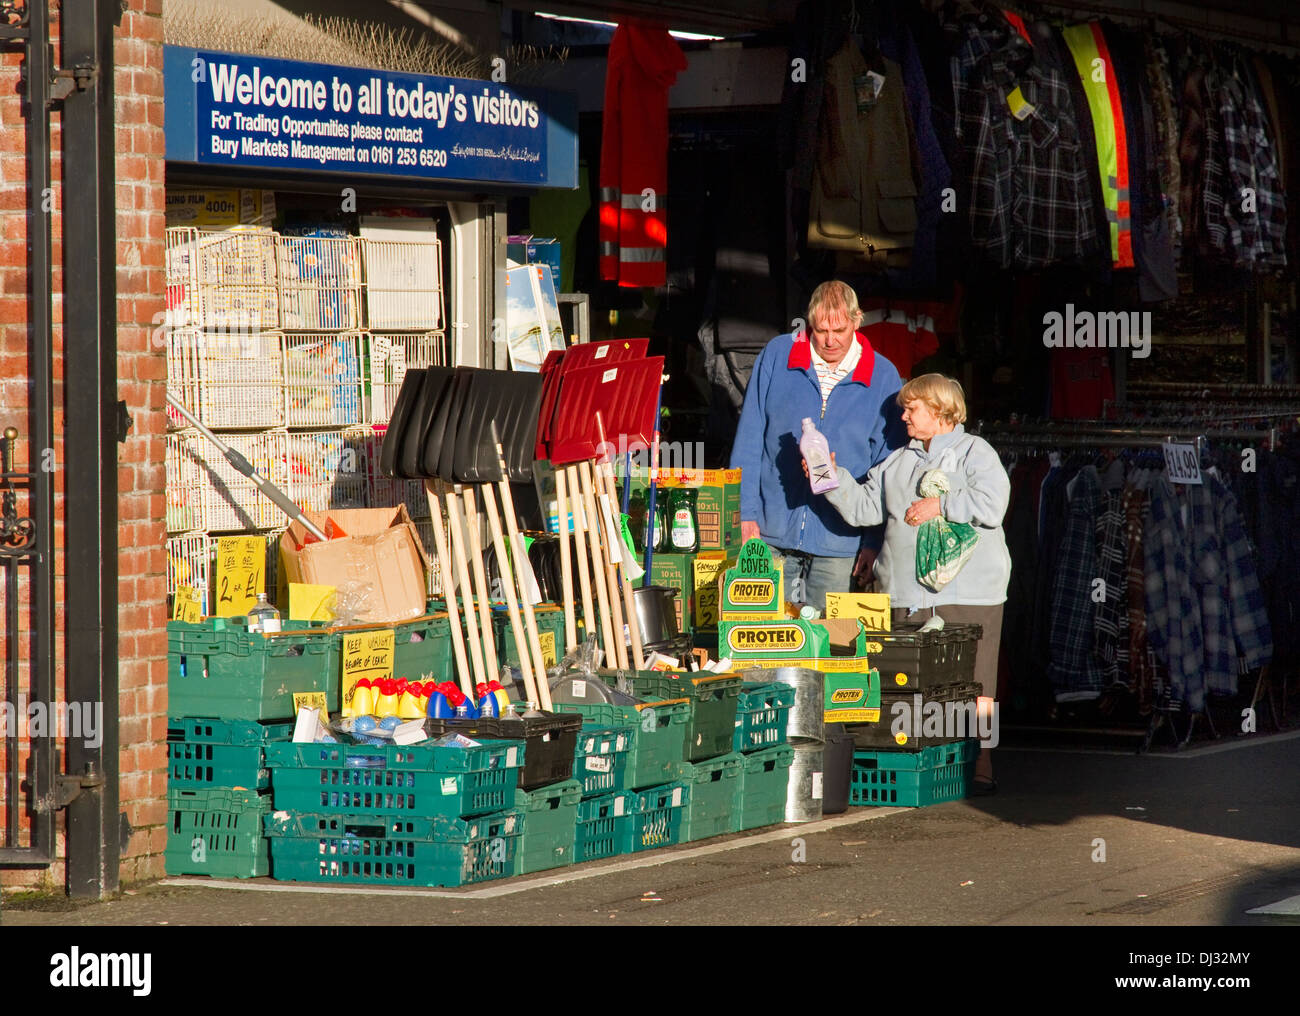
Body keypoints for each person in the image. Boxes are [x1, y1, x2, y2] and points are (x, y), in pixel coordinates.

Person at [815, 374, 1010, 793]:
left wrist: (942, 504)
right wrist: (830, 477)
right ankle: (921, 766)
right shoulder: (896, 462)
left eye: (911, 408)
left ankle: (982, 764)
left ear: (939, 411)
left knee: (978, 683)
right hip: (905, 593)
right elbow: (865, 507)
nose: (902, 415)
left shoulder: (976, 451)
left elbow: (994, 505)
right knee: (910, 686)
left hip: (972, 592)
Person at [730, 280, 905, 612]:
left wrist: (874, 541)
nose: (830, 339)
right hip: (770, 532)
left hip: (841, 543)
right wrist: (745, 513)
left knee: (829, 645)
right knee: (766, 638)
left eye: (839, 329)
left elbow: (888, 469)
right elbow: (751, 436)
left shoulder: (882, 376)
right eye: (820, 330)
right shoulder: (778, 355)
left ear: (857, 319)